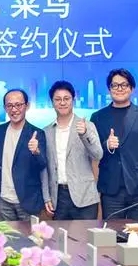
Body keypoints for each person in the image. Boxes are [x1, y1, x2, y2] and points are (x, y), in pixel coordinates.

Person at [90, 69, 138, 222]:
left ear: (131, 88)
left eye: (124, 85)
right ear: (109, 89)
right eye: (115, 85)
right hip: (110, 189)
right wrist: (106, 145)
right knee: (111, 234)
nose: (119, 89)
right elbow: (92, 150)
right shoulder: (97, 117)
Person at [42, 81, 103, 220]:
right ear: (52, 102)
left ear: (73, 100)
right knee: (59, 234)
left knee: (86, 234)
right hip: (58, 197)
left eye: (66, 98)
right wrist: (46, 197)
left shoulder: (87, 126)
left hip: (84, 196)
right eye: (58, 99)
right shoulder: (46, 131)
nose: (62, 103)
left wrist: (84, 134)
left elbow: (98, 155)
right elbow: (45, 168)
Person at [0, 89, 47, 220]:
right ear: (5, 108)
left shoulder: (37, 133)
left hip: (28, 201)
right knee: (6, 234)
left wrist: (36, 152)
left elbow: (43, 165)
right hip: (3, 201)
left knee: (30, 234)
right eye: (10, 106)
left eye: (18, 105)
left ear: (27, 106)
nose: (14, 109)